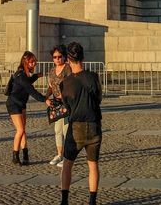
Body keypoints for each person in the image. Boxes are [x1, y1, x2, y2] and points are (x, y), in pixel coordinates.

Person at [58, 41, 102, 205]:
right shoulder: (93, 77)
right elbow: (98, 99)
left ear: (68, 59)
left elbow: (66, 106)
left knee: (68, 164)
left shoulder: (65, 83)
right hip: (94, 125)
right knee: (93, 165)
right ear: (83, 57)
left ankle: (64, 200)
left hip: (75, 127)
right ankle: (92, 201)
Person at [6, 50, 46, 165]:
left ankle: (26, 155)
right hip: (13, 103)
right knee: (20, 130)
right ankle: (15, 155)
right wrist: (44, 99)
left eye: (35, 62)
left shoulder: (25, 74)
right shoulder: (20, 74)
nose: (34, 64)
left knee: (23, 130)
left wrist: (36, 76)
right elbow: (30, 89)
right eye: (32, 62)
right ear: (25, 62)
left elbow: (27, 82)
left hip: (21, 103)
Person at [46, 45, 70, 167]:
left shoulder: (67, 68)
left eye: (60, 56)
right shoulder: (51, 71)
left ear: (64, 57)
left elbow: (72, 85)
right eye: (55, 57)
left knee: (66, 130)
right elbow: (51, 87)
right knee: (57, 130)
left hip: (67, 103)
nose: (57, 59)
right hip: (56, 104)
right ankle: (59, 154)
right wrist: (46, 98)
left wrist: (64, 95)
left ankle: (67, 157)